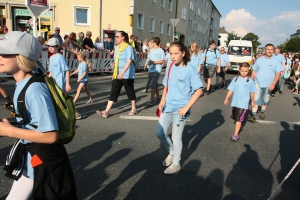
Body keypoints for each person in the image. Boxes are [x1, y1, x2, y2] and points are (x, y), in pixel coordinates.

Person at [0, 31, 77, 199]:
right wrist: (11, 125)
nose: (0, 57)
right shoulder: (22, 83)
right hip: (33, 156)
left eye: (5, 53)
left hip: (43, 158)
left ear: (22, 57)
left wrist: (9, 131)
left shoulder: (34, 89)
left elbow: (50, 136)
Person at [156, 41, 203, 174]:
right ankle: (172, 152)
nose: (172, 56)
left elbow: (199, 90)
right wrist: (162, 99)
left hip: (181, 109)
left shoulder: (190, 69)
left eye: (176, 53)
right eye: (170, 53)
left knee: (176, 137)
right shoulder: (170, 66)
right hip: (168, 106)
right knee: (160, 133)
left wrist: (186, 107)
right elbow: (167, 85)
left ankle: (176, 163)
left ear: (183, 53)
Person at [96, 31, 137, 118]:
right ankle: (106, 111)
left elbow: (129, 61)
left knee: (129, 91)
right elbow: (117, 59)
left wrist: (122, 72)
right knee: (114, 92)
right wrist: (115, 64)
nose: (116, 38)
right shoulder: (117, 47)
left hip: (127, 74)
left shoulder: (128, 48)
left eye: (117, 36)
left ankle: (134, 108)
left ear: (123, 37)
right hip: (117, 74)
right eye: (115, 36)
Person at [247, 44, 282, 123]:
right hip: (258, 82)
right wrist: (251, 82)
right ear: (265, 50)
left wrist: (274, 83)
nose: (269, 51)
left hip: (269, 84)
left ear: (273, 50)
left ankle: (262, 112)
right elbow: (254, 71)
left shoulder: (276, 61)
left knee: (266, 100)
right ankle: (253, 115)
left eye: (271, 49)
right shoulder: (259, 60)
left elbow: (278, 73)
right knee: (255, 99)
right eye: (268, 49)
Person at [224, 62, 255, 142]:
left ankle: (235, 135)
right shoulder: (235, 79)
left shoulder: (250, 81)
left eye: (246, 71)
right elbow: (231, 89)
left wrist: (252, 102)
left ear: (248, 71)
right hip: (235, 102)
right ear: (239, 70)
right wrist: (227, 98)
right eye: (242, 71)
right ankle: (239, 126)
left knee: (238, 119)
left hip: (244, 103)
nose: (244, 73)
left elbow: (252, 92)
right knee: (236, 117)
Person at [70, 52, 93, 117]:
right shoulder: (80, 63)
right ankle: (90, 99)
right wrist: (72, 73)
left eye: (78, 57)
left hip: (84, 80)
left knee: (78, 90)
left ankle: (74, 101)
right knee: (86, 89)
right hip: (82, 79)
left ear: (82, 58)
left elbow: (85, 73)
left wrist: (79, 79)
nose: (77, 58)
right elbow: (78, 70)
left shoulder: (85, 64)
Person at [145, 37, 166, 106]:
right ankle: (158, 97)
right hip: (151, 69)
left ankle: (151, 99)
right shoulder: (151, 50)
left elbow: (163, 60)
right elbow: (149, 58)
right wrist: (146, 64)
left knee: (153, 84)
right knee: (155, 84)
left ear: (155, 43)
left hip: (157, 69)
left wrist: (154, 62)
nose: (150, 42)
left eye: (152, 41)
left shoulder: (161, 50)